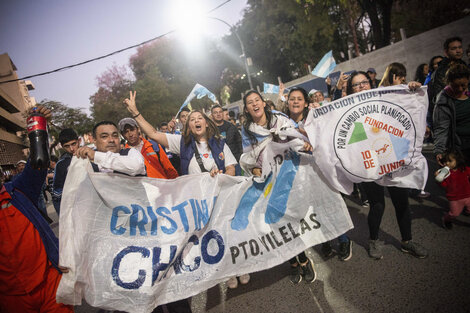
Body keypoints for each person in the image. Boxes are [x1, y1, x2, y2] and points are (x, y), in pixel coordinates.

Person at [123, 91, 242, 292]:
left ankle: (239, 267)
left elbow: (231, 167)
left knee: (228, 233)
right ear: (188, 126)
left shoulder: (220, 144)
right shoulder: (182, 144)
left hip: (220, 198)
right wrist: (135, 113)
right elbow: (153, 134)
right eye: (192, 119)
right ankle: (228, 272)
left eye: (199, 118)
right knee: (211, 238)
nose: (196, 121)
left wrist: (222, 174)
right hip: (197, 203)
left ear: (206, 123)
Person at [347, 70, 428, 260]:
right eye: (356, 85)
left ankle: (407, 241)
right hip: (368, 163)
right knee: (377, 205)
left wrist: (411, 90)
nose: (361, 87)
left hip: (391, 157)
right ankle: (373, 240)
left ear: (371, 83)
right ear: (351, 90)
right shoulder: (349, 112)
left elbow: (403, 107)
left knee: (402, 202)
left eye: (364, 82)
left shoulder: (384, 99)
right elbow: (352, 140)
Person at [0, 106, 73, 313]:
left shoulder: (17, 192)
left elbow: (38, 163)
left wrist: (39, 126)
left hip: (50, 285)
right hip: (11, 301)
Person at [74, 121, 146, 176]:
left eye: (115, 136)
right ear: (94, 140)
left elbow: (136, 167)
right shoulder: (86, 161)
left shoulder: (131, 153)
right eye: (104, 136)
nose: (111, 140)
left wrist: (96, 156)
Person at [433, 64, 470, 164]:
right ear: (448, 83)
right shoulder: (443, 100)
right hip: (459, 148)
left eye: (463, 85)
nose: (460, 89)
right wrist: (439, 150)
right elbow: (441, 128)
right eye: (455, 86)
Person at [436, 150, 470, 230]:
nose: (447, 163)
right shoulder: (446, 173)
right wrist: (439, 179)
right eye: (446, 161)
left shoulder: (464, 169)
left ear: (458, 160)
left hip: (468, 195)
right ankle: (446, 219)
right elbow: (444, 185)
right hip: (454, 198)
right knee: (454, 214)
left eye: (450, 161)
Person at [429, 37, 466, 111]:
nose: (458, 51)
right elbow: (440, 95)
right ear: (446, 52)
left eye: (460, 47)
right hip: (454, 110)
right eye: (454, 48)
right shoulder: (442, 70)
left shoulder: (464, 65)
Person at [52, 128, 79, 215]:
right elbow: (57, 191)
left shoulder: (91, 155)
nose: (71, 149)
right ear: (62, 146)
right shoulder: (61, 164)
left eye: (74, 144)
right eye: (67, 146)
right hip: (75, 208)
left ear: (79, 141)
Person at [211, 105, 243, 175]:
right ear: (212, 115)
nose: (218, 114)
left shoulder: (231, 127)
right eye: (215, 113)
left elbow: (239, 142)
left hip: (234, 162)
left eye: (220, 112)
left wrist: (239, 157)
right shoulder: (210, 131)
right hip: (218, 164)